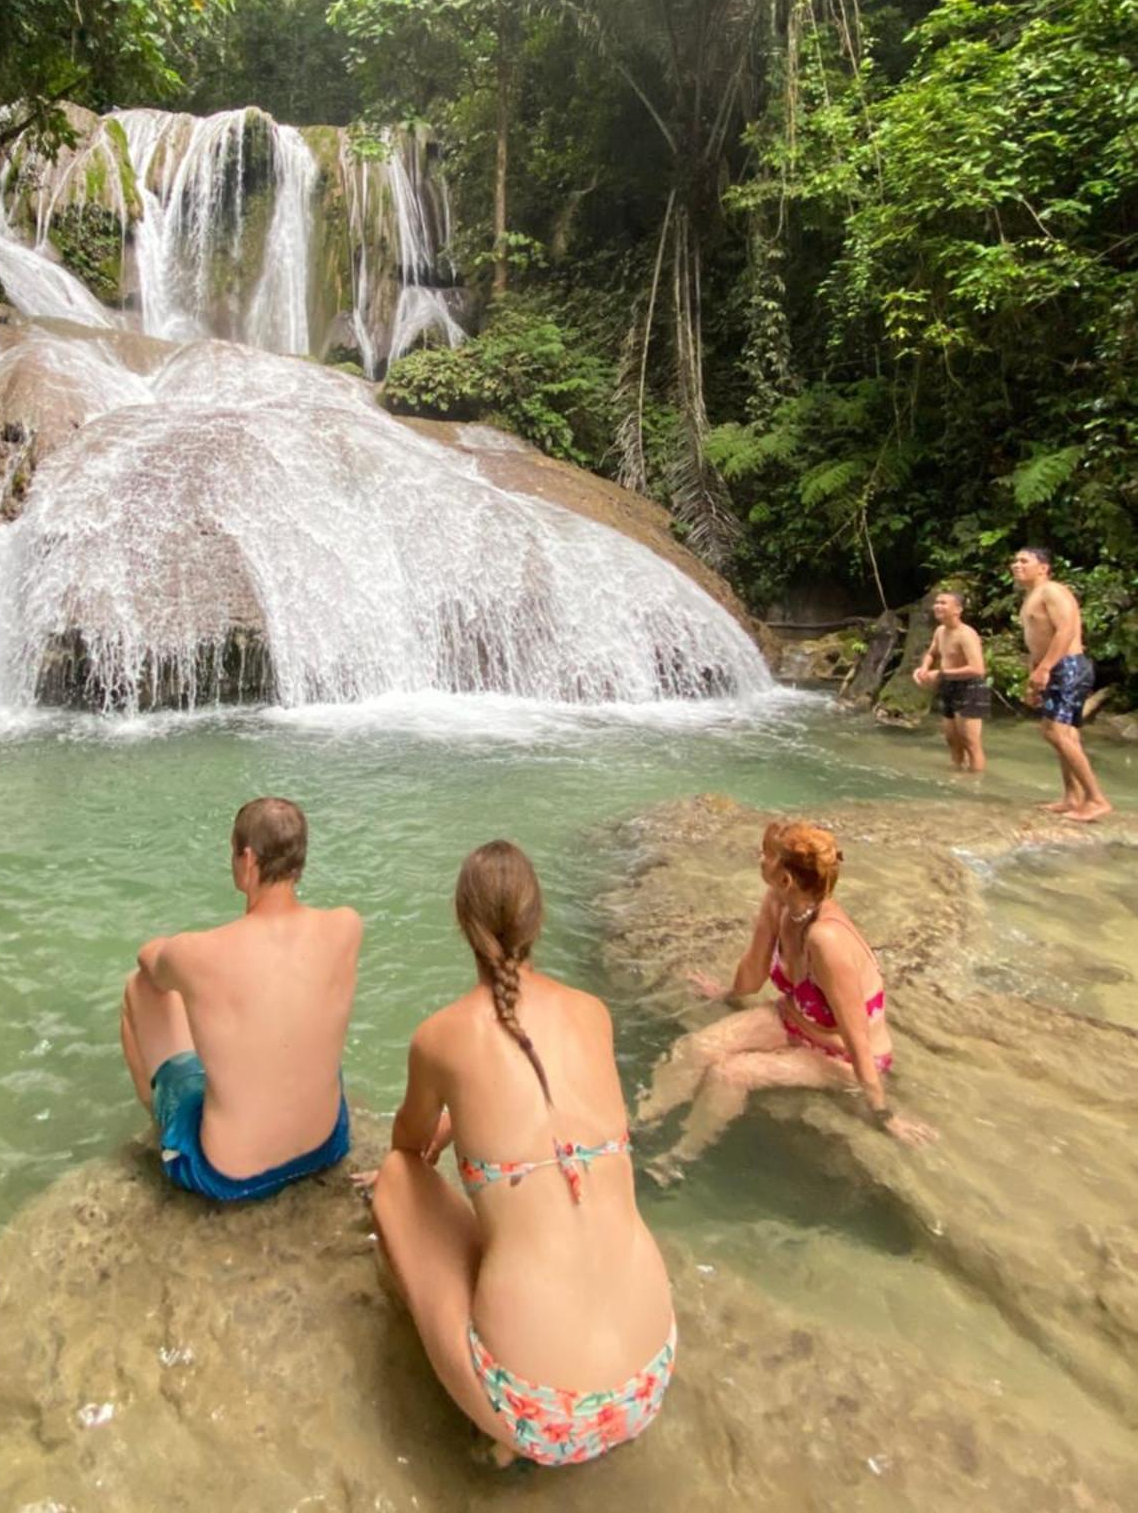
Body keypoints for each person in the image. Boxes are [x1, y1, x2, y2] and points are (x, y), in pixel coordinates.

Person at [365, 840, 675, 1469]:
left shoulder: (441, 1037)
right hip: (647, 1382)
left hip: (539, 1414)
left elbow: (408, 1148)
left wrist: (455, 1122)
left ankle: (491, 1424)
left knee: (395, 1179)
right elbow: (550, 1115)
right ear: (538, 920)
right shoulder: (594, 1014)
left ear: (463, 924)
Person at [637, 821, 934, 1178]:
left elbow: (856, 1036)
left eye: (767, 855)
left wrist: (883, 1111)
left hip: (837, 1053)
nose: (758, 857)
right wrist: (727, 993)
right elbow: (754, 969)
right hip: (790, 1018)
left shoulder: (827, 941)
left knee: (731, 1073)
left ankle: (677, 1160)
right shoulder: (778, 902)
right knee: (698, 1047)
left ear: (786, 879)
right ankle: (638, 1125)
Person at [120, 796, 361, 1201]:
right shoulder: (346, 926)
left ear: (247, 859)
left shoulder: (199, 952)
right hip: (328, 1145)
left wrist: (177, 951)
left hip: (229, 1176)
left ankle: (163, 1130)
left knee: (140, 987)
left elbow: (148, 962)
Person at [1012, 546, 1111, 823]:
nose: (1016, 565)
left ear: (1043, 567)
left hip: (1068, 667)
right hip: (1054, 670)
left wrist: (1045, 668)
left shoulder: (1052, 591)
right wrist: (1033, 681)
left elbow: (1066, 629)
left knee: (1056, 732)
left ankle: (1096, 799)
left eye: (1024, 561)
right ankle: (1072, 797)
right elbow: (1036, 644)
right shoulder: (1031, 597)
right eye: (1015, 561)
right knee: (1063, 734)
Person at [912, 589, 988, 772]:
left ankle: (976, 784)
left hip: (971, 687)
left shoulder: (966, 634)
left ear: (958, 609)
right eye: (936, 602)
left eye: (943, 603)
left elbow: (978, 669)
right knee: (952, 740)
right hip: (949, 686)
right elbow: (932, 653)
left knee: (970, 742)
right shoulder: (940, 631)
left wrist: (940, 674)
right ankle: (956, 776)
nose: (937, 606)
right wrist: (923, 669)